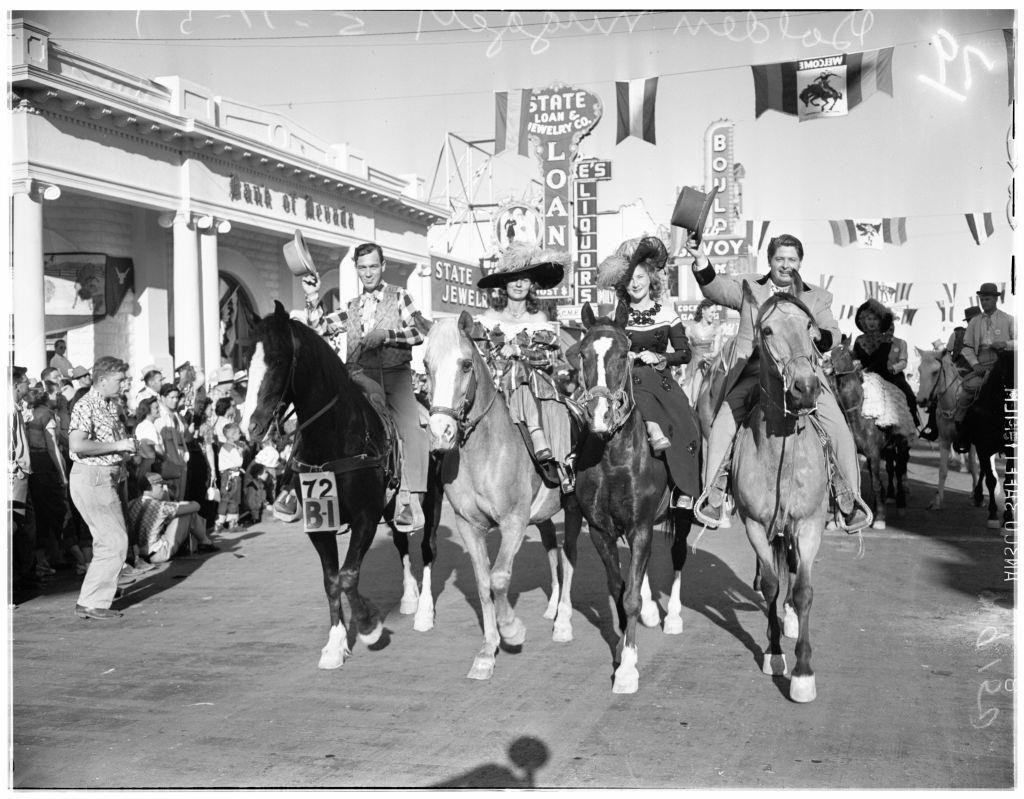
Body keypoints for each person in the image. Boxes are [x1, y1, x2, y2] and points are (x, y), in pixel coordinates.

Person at [691, 233, 869, 532]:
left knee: (838, 426)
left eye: (792, 260)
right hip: (755, 372)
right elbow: (716, 288)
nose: (786, 265)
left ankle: (849, 501)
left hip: (802, 374)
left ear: (800, 262)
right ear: (770, 261)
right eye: (779, 259)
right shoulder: (750, 289)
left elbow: (832, 332)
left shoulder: (816, 296)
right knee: (723, 422)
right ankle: (714, 495)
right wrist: (700, 260)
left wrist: (819, 336)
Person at [302, 241, 430, 529]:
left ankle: (411, 502)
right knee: (322, 422)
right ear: (356, 269)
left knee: (414, 431)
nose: (368, 272)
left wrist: (386, 334)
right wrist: (312, 297)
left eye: (373, 266)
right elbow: (319, 328)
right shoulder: (352, 307)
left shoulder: (400, 296)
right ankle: (312, 499)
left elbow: (418, 332)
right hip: (357, 377)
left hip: (395, 376)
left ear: (383, 266)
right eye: (363, 267)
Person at [596, 236, 701, 507]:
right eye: (630, 279)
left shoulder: (667, 313)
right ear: (623, 285)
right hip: (624, 382)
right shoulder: (616, 317)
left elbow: (685, 353)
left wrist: (658, 356)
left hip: (661, 381)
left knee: (688, 422)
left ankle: (683, 490)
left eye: (640, 276)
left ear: (650, 279)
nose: (636, 283)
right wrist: (621, 356)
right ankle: (581, 477)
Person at [473, 241, 574, 491]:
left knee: (523, 380)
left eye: (525, 279)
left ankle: (561, 464)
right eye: (513, 279)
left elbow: (549, 358)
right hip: (493, 384)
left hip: (533, 385)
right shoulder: (488, 317)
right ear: (504, 284)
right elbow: (478, 354)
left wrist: (518, 351)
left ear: (532, 285)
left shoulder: (539, 319)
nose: (518, 284)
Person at [68, 356, 137, 620]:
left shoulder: (109, 405)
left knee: (107, 539)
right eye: (119, 379)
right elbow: (77, 445)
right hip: (93, 477)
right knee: (115, 540)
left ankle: (99, 590)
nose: (123, 384)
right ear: (103, 379)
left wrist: (124, 449)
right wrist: (118, 447)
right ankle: (91, 601)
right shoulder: (87, 405)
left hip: (105, 477)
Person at [953, 282, 1017, 450]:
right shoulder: (974, 322)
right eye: (982, 299)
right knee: (965, 393)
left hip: (1004, 366)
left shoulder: (1009, 319)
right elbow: (966, 347)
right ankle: (962, 432)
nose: (984, 303)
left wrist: (1005, 343)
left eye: (987, 299)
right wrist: (975, 365)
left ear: (996, 299)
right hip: (981, 365)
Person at [851, 299, 920, 427]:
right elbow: (856, 358)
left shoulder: (886, 340)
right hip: (861, 377)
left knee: (909, 395)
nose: (872, 322)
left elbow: (881, 362)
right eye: (869, 319)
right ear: (863, 321)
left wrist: (865, 371)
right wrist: (855, 366)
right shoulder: (858, 340)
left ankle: (912, 421)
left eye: (875, 319)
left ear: (881, 322)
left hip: (887, 376)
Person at [23, 384, 69, 575]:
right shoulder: (46, 415)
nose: (58, 396)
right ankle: (49, 557)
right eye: (54, 394)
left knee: (40, 512)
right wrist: (62, 474)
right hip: (44, 464)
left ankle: (45, 557)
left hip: (32, 463)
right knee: (52, 511)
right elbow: (52, 447)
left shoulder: (31, 413)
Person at [128, 472, 214, 563]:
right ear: (152, 486)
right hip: (157, 554)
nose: (164, 490)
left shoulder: (131, 504)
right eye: (161, 486)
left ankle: (201, 542)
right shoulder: (160, 506)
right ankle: (205, 542)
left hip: (138, 554)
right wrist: (171, 500)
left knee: (178, 511)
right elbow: (196, 507)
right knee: (188, 512)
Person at [10, 366, 40, 594]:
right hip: (15, 476)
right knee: (17, 527)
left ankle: (25, 574)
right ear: (16, 384)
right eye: (26, 382)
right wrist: (16, 469)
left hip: (21, 473)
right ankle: (18, 578)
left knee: (26, 526)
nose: (28, 386)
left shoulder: (16, 408)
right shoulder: (9, 410)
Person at [154, 384, 189, 500]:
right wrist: (165, 459)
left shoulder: (176, 415)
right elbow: (157, 443)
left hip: (181, 459)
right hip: (169, 461)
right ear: (163, 398)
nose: (175, 400)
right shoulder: (159, 416)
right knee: (171, 496)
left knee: (181, 496)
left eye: (177, 397)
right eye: (172, 397)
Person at [686, 299, 728, 383]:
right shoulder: (689, 329)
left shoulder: (717, 329)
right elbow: (685, 351)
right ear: (703, 311)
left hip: (707, 365)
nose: (714, 315)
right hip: (692, 367)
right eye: (712, 312)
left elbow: (716, 351)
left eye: (715, 313)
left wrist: (709, 355)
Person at [215, 422, 245, 531]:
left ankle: (220, 523)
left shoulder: (226, 447)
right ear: (231, 435)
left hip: (227, 475)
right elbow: (238, 462)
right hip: (232, 476)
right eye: (238, 433)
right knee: (233, 499)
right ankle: (232, 523)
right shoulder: (231, 448)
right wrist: (241, 452)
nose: (240, 434)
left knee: (225, 499)